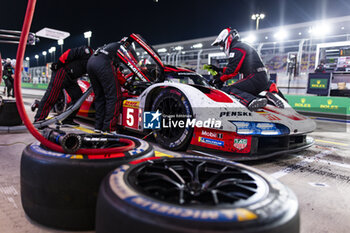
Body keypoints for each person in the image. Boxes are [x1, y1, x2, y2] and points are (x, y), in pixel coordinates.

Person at [209, 28, 284, 111]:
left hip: (254, 77)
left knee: (228, 89)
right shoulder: (241, 46)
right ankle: (269, 98)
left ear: (227, 39)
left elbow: (231, 71)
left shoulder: (237, 48)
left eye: (221, 44)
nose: (221, 47)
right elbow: (236, 67)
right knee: (245, 92)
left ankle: (251, 100)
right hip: (261, 77)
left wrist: (217, 80)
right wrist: (219, 69)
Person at [33, 46, 93, 125]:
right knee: (52, 96)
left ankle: (67, 120)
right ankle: (39, 120)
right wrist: (59, 64)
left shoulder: (94, 62)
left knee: (78, 98)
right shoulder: (87, 51)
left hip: (72, 78)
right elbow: (69, 53)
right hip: (62, 72)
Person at [87, 40, 128, 133]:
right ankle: (109, 128)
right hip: (102, 63)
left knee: (100, 97)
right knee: (114, 96)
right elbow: (117, 72)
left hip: (91, 62)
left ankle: (98, 126)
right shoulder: (122, 48)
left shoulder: (110, 46)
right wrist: (126, 84)